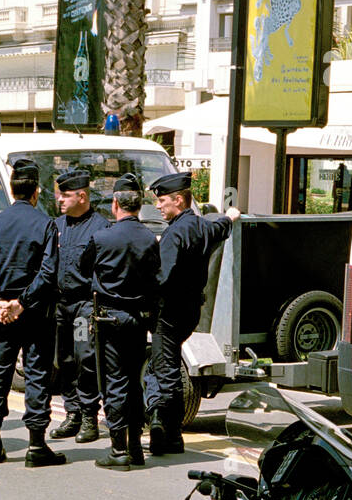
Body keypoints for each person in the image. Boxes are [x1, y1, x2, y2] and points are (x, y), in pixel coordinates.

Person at [0, 159, 62, 468]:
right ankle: (37, 444)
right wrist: (22, 302)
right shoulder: (45, 223)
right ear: (35, 191)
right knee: (36, 374)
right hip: (34, 313)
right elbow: (49, 272)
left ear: (11, 190)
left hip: (3, 315)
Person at [145, 171, 241, 454]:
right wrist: (230, 215)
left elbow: (161, 276)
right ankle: (168, 430)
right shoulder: (202, 227)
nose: (159, 207)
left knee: (165, 372)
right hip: (190, 312)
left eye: (162, 201)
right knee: (165, 365)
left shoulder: (175, 234)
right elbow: (220, 228)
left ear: (178, 200)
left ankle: (167, 433)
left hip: (168, 312)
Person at [79, 173, 161, 470]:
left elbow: (82, 265)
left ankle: (118, 448)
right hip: (137, 318)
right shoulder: (149, 238)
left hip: (109, 316)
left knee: (114, 382)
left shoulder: (102, 237)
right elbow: (155, 278)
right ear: (138, 206)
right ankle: (136, 446)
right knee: (134, 381)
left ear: (115, 204)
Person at [49, 166, 107, 444]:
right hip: (61, 305)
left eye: (65, 195)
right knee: (64, 360)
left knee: (85, 359)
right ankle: (71, 412)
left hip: (84, 306)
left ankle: (88, 415)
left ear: (82, 196)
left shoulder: (100, 227)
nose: (60, 200)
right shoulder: (56, 226)